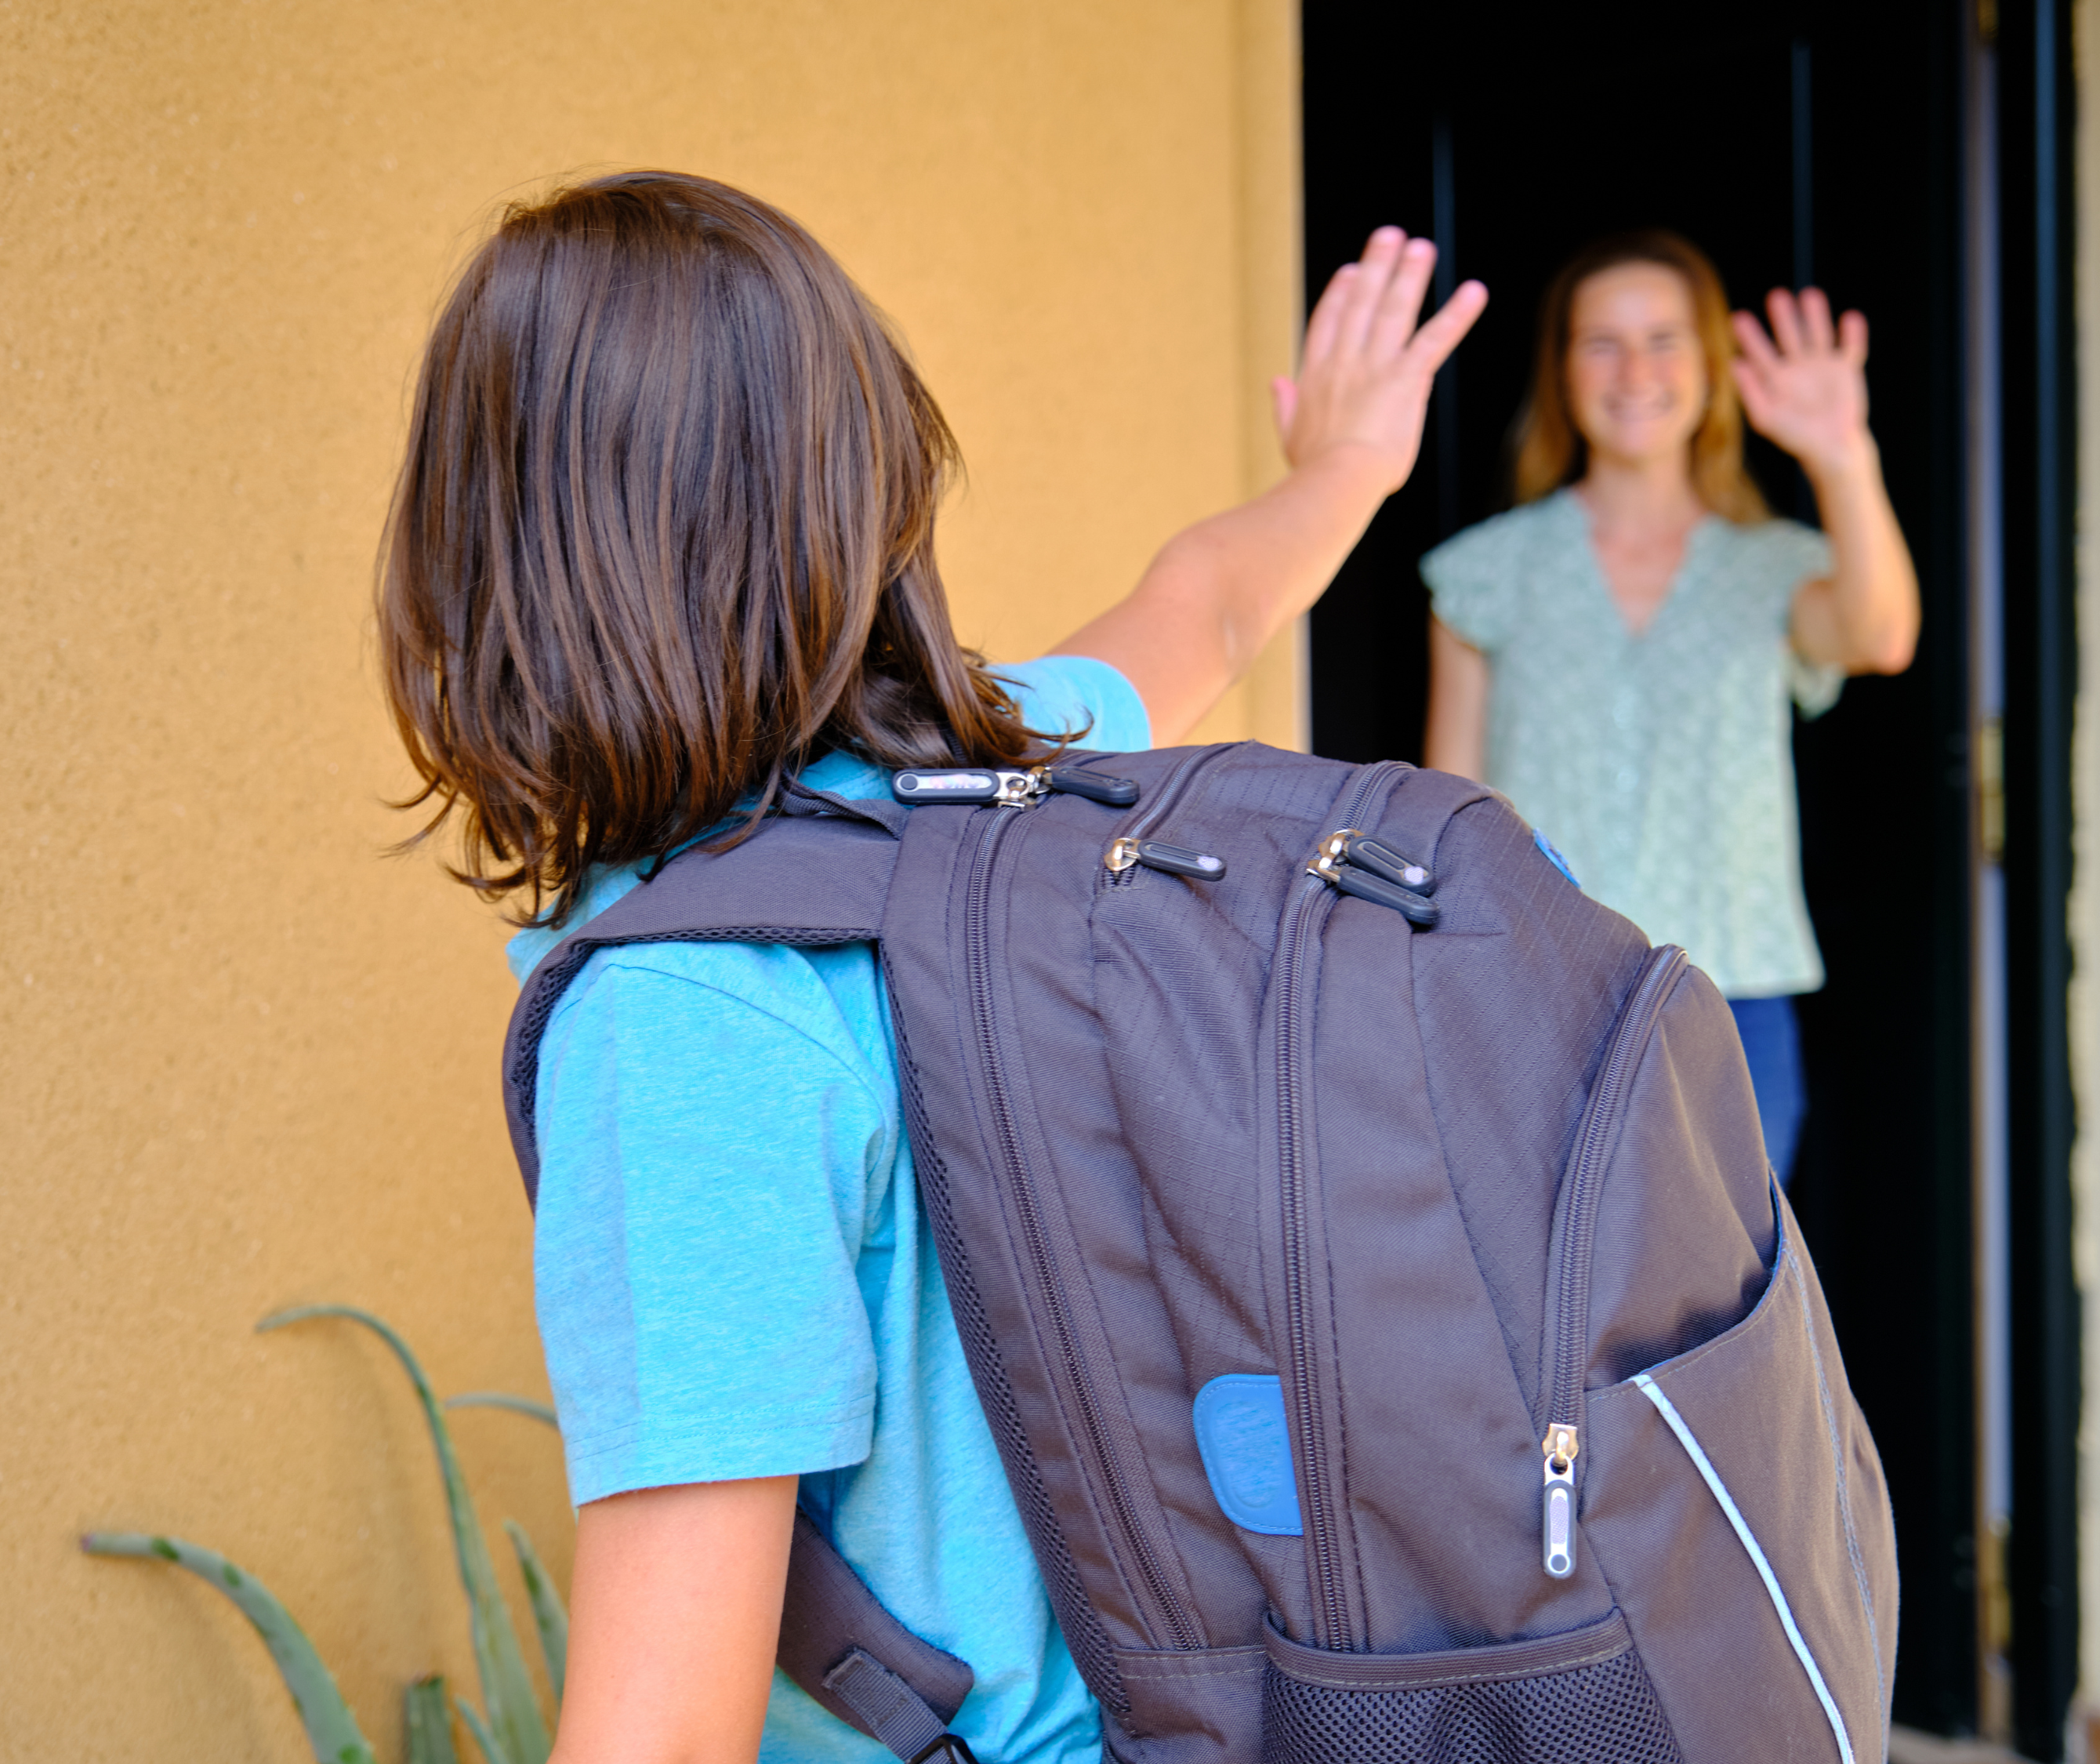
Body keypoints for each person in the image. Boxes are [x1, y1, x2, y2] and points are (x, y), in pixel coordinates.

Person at [378, 172, 1482, 1764]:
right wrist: (1353, 468)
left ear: (490, 569)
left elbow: (662, 1734)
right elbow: (1212, 598)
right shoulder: (1015, 765)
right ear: (864, 499)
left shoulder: (686, 1016)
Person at [1420, 230, 1917, 1185]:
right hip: (1537, 997)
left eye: (1664, 338)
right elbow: (1450, 807)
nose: (1634, 369)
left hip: (1730, 1002)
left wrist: (1842, 454)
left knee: (1723, 1309)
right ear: (1562, 370)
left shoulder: (1772, 563)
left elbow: (1881, 634)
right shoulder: (1486, 572)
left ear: (1710, 369)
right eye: (1601, 340)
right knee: (1556, 1312)